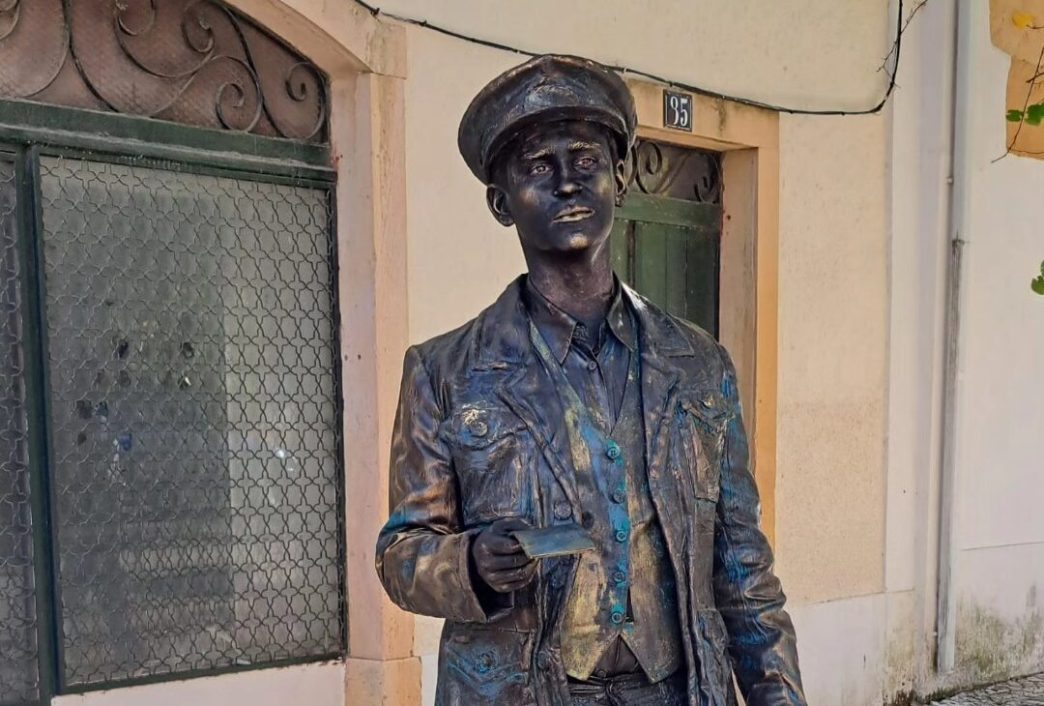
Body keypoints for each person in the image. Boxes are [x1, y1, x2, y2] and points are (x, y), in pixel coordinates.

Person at [375, 54, 805, 706]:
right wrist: (468, 563)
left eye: (585, 161)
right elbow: (401, 553)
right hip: (520, 692)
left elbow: (744, 569)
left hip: (677, 690)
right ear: (500, 203)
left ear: (619, 179)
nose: (567, 183)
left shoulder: (699, 364)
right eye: (537, 167)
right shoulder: (445, 372)